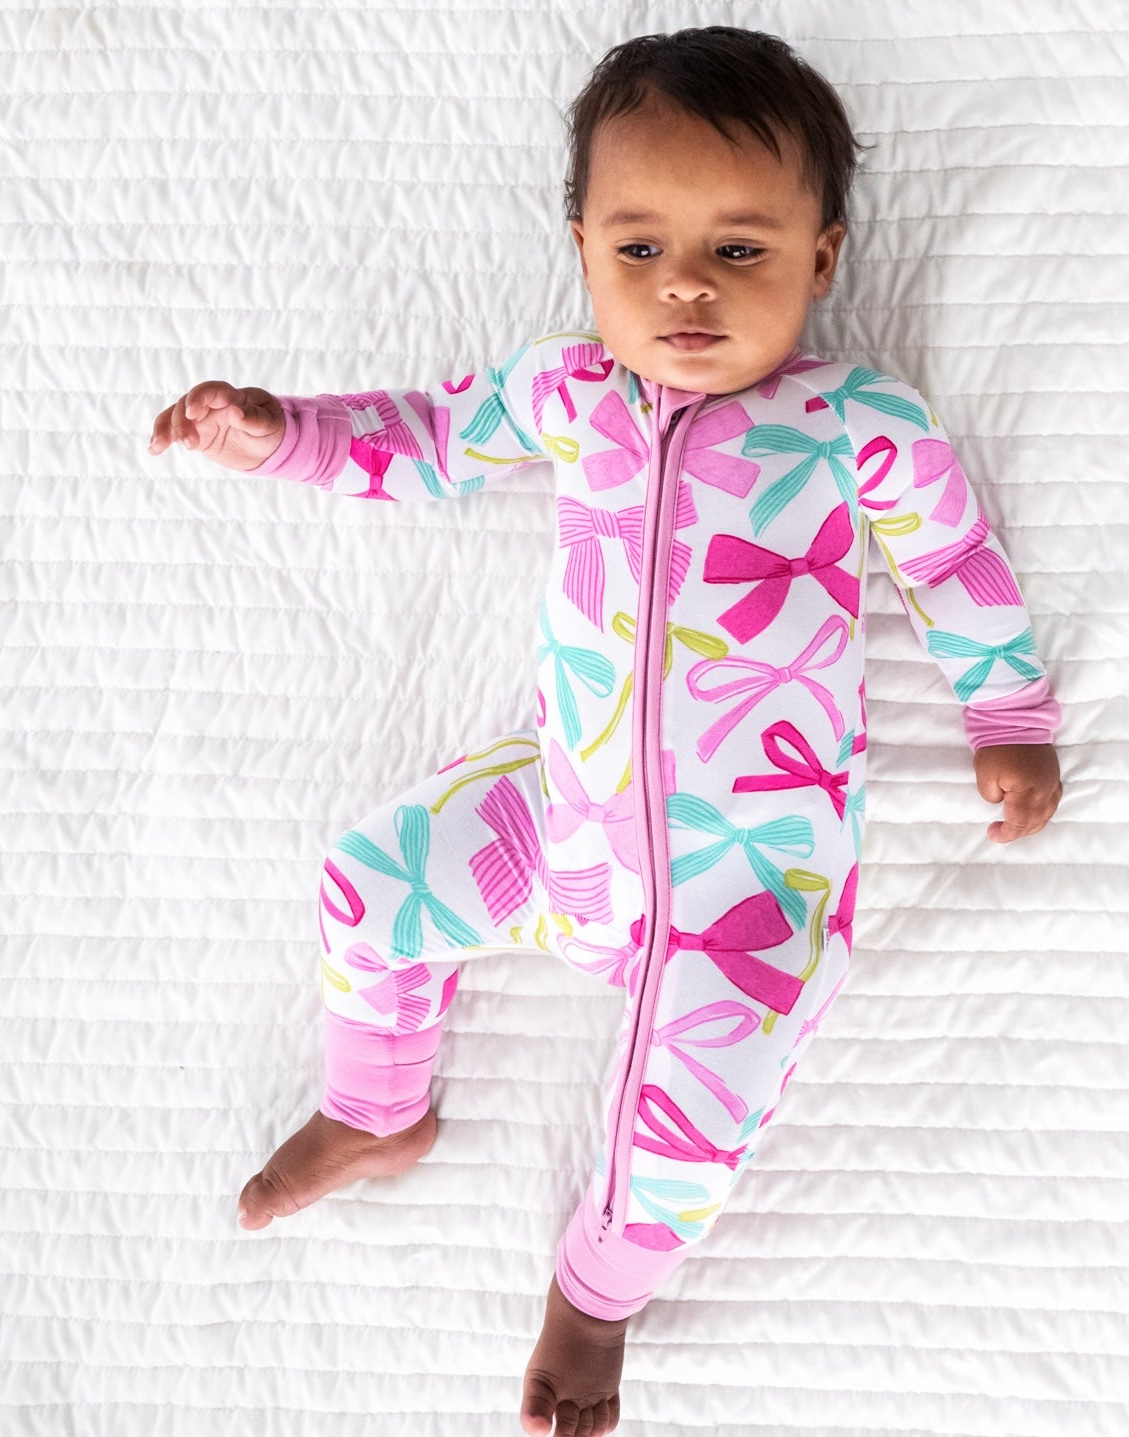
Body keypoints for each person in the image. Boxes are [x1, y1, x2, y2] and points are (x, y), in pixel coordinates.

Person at [147, 25, 1063, 1437]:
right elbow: (430, 440)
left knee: (694, 1117)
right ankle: (378, 1105)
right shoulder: (565, 393)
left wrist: (1004, 708)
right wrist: (280, 433)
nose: (683, 284)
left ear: (821, 261)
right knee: (370, 877)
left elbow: (948, 561)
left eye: (739, 251)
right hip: (557, 818)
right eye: (638, 249)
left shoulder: (851, 422)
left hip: (751, 882)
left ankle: (594, 1295)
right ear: (581, 247)